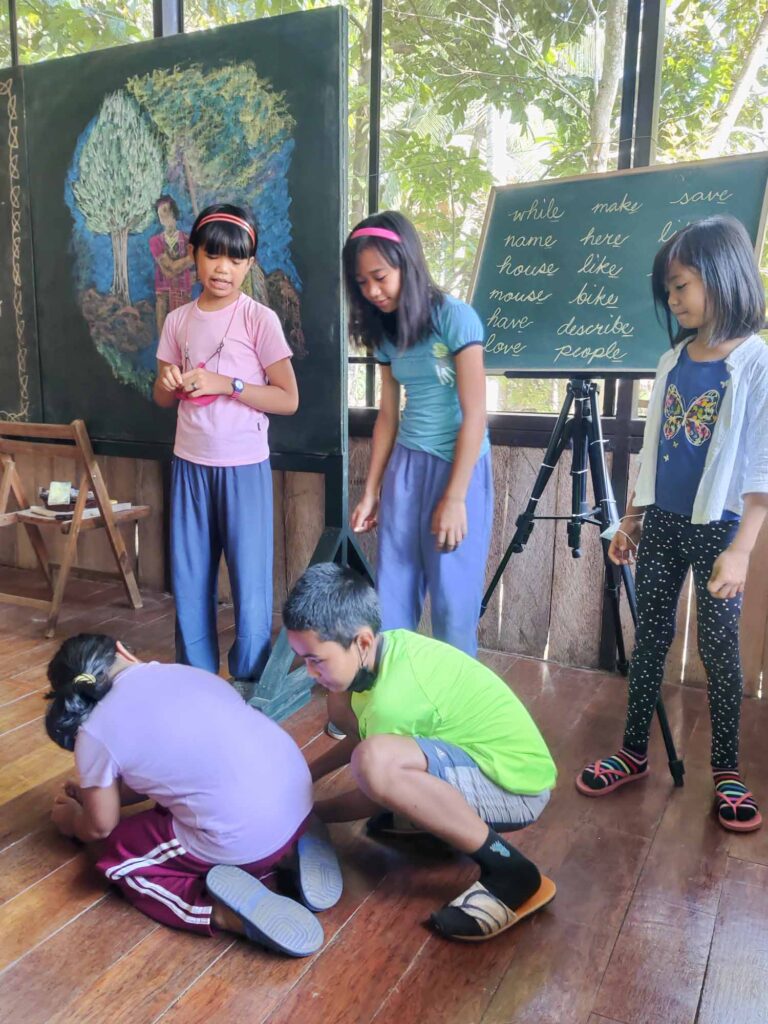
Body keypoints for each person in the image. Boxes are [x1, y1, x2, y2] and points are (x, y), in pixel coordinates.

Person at [577, 215, 768, 833]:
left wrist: (741, 551)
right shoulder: (672, 360)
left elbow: (762, 466)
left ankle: (726, 770)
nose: (673, 299)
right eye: (668, 290)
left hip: (719, 528)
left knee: (717, 648)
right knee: (651, 637)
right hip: (660, 521)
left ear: (722, 277)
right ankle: (633, 752)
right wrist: (632, 519)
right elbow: (655, 446)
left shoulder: (757, 362)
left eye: (681, 285)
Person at [283, 562, 557, 942]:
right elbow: (361, 735)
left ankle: (512, 871)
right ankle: (432, 820)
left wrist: (310, 815)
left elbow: (374, 784)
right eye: (304, 659)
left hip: (517, 788)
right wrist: (302, 776)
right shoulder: (383, 650)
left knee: (375, 764)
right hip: (478, 762)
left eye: (316, 660)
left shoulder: (394, 699)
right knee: (346, 711)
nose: (310, 672)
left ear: (362, 642)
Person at [45, 633, 342, 956]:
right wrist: (99, 794)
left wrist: (75, 821)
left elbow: (101, 826)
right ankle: (292, 850)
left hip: (248, 835)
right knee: (198, 787)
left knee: (120, 855)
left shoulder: (94, 731)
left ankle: (220, 912)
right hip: (297, 795)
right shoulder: (188, 673)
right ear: (123, 651)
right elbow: (159, 772)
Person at [153, 203, 298, 682]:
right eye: (213, 255)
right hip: (189, 465)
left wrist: (227, 385)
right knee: (190, 578)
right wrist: (169, 381)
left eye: (236, 259)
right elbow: (161, 396)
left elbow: (288, 399)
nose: (223, 268)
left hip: (244, 467)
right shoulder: (178, 321)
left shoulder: (259, 319)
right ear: (193, 254)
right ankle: (195, 679)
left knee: (249, 579)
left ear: (249, 264)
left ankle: (250, 679)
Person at [344, 211, 493, 658]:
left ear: (407, 263)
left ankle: (456, 701)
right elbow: (388, 417)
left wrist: (456, 498)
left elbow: (475, 414)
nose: (372, 291)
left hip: (458, 468)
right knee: (393, 591)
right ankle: (393, 689)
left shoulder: (456, 318)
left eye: (380, 277)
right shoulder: (385, 333)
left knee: (452, 600)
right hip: (407, 468)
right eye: (362, 283)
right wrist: (371, 492)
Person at [149, 195, 195, 338]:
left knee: (185, 338)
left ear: (173, 212)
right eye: (159, 213)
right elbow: (169, 270)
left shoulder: (188, 240)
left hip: (183, 294)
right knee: (164, 338)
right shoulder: (155, 241)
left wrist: (180, 266)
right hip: (163, 297)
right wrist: (189, 259)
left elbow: (173, 268)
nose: (162, 216)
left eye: (165, 210)